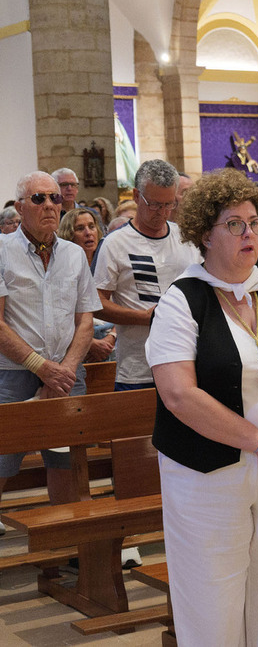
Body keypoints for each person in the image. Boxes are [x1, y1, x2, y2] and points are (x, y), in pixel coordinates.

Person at [146, 168, 258, 645]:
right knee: (212, 592)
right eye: (234, 224)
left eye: (255, 222)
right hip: (208, 470)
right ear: (205, 233)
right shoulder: (182, 301)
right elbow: (179, 394)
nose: (250, 233)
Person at [0, 172, 101, 531]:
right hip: (12, 375)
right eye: (39, 199)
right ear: (19, 207)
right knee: (1, 462)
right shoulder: (1, 251)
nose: (49, 206)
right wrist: (43, 368)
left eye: (55, 199)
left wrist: (66, 370)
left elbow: (85, 321)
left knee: (66, 464)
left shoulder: (74, 255)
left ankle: (67, 543)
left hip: (67, 377)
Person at [94, 159, 200, 391]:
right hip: (137, 369)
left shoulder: (185, 238)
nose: (161, 213)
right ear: (135, 195)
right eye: (153, 204)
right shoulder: (115, 244)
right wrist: (144, 317)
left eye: (168, 204)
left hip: (186, 364)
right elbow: (96, 303)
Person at [58, 208, 117, 363]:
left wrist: (112, 337)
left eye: (91, 226)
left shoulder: (108, 264)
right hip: (77, 342)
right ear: (68, 235)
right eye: (80, 228)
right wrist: (91, 343)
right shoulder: (61, 270)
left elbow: (123, 302)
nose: (88, 232)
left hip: (112, 340)